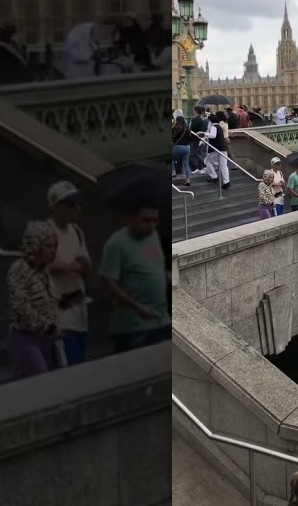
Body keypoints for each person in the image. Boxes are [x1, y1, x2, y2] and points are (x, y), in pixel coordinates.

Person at [99, 203, 168, 352]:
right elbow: (108, 282)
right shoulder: (116, 243)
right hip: (133, 327)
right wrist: (136, 307)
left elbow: (154, 266)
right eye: (146, 220)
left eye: (154, 221)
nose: (151, 225)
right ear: (131, 218)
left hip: (160, 320)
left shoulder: (154, 236)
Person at [6, 221, 61, 378]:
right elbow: (20, 305)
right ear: (35, 246)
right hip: (25, 337)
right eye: (48, 247)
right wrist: (46, 325)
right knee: (39, 378)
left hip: (46, 337)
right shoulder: (18, 270)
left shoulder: (43, 271)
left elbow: (49, 300)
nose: (52, 251)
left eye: (54, 246)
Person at [45, 181, 92, 366]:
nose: (77, 208)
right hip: (59, 315)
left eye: (78, 203)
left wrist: (76, 266)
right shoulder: (46, 232)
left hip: (79, 313)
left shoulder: (77, 231)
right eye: (70, 204)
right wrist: (68, 266)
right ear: (56, 206)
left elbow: (85, 264)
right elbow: (40, 265)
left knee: (79, 363)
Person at [171, 115, 193, 186]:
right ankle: (188, 180)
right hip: (187, 147)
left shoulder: (176, 128)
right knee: (186, 163)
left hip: (178, 147)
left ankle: (173, 172)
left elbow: (172, 137)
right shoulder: (188, 129)